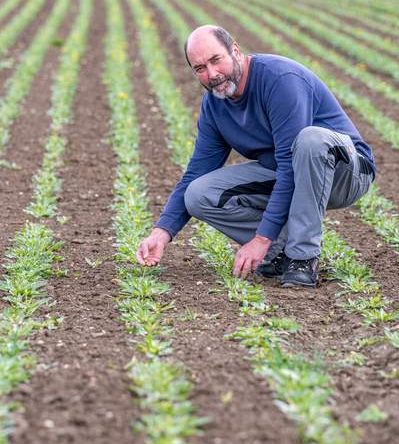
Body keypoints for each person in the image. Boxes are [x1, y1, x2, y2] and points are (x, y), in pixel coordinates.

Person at [135, 25, 376, 287]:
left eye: (216, 60)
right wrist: (162, 232)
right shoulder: (215, 106)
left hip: (346, 171)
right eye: (200, 68)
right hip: (288, 171)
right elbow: (197, 171)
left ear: (235, 51)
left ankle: (303, 258)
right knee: (199, 193)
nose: (212, 74)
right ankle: (284, 251)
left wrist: (261, 238)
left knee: (309, 141)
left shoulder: (280, 80)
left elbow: (290, 166)